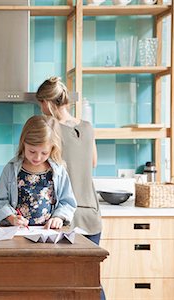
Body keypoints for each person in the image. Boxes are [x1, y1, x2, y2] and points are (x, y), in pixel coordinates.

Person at [36, 76, 101, 243]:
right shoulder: (87, 127)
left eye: (40, 103)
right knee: (89, 268)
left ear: (47, 102)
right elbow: (93, 162)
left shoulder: (50, 128)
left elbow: (39, 166)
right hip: (91, 214)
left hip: (62, 217)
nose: (41, 108)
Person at [0, 115, 77, 229]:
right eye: (32, 151)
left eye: (44, 153)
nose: (37, 157)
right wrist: (11, 218)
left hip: (48, 233)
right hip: (18, 232)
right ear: (23, 143)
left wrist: (59, 218)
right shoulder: (11, 169)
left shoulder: (58, 171)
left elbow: (67, 202)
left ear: (52, 148)